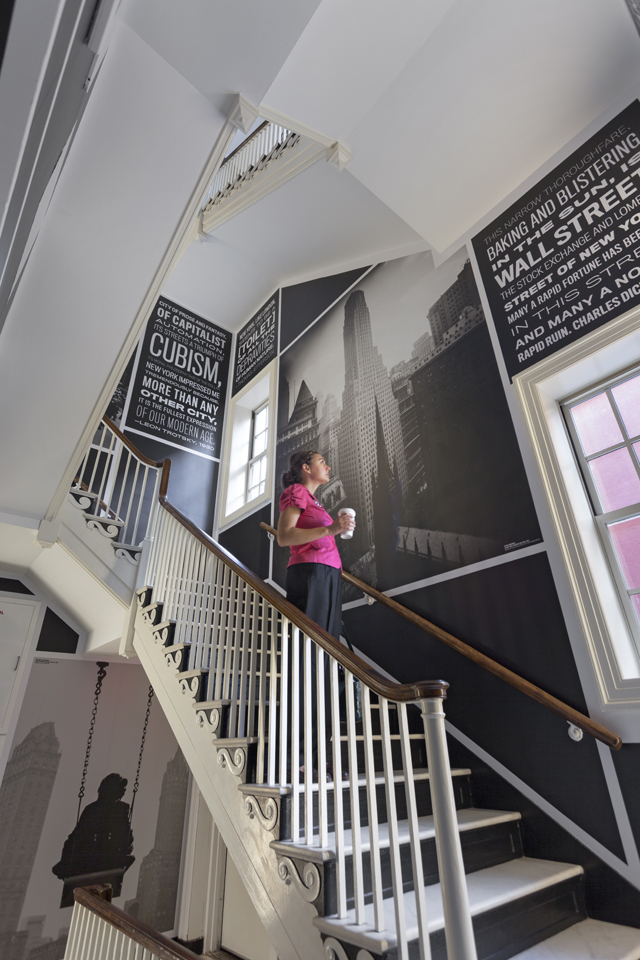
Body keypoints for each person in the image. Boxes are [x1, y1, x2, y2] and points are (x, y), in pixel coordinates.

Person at [277, 451, 355, 778]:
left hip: (328, 577)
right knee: (309, 661)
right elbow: (284, 536)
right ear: (306, 469)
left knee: (324, 662)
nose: (328, 467)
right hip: (310, 576)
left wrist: (335, 528)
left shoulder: (316, 501)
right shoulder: (295, 493)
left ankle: (315, 752)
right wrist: (331, 530)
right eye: (322, 462)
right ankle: (297, 754)